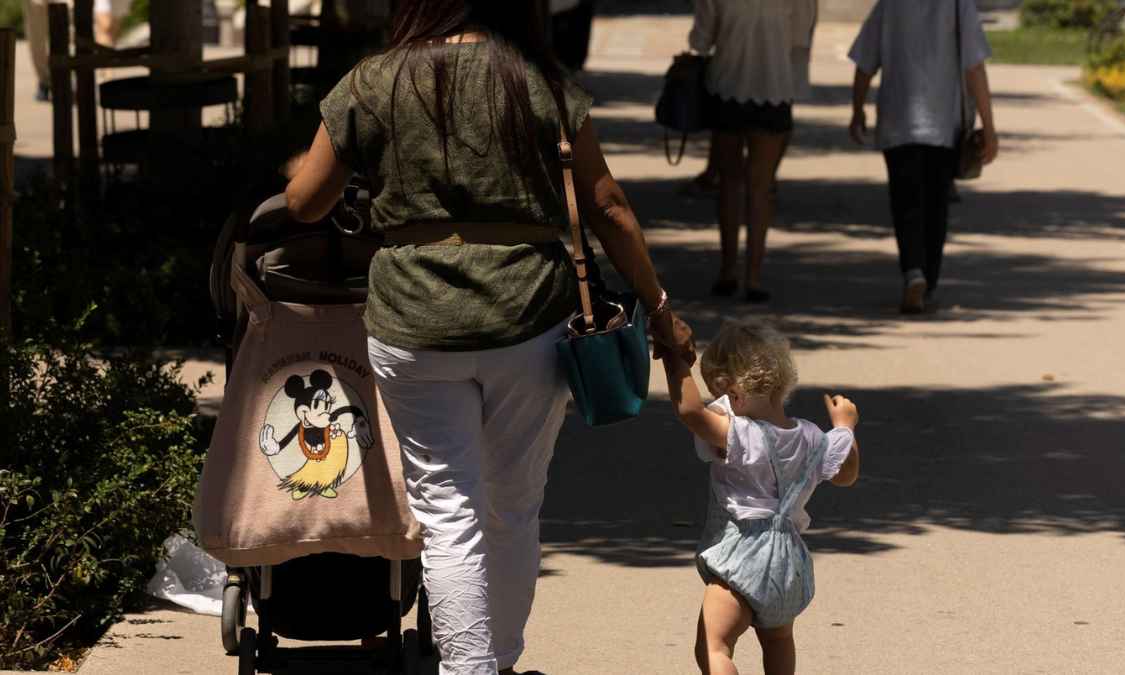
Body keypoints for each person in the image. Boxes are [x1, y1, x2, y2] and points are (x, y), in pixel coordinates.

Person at [284, 2, 695, 673]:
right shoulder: (537, 80)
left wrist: (306, 161)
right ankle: (496, 661)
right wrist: (661, 307)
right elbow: (608, 204)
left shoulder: (374, 81)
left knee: (449, 512)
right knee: (513, 505)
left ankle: (471, 668)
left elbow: (305, 203)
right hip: (528, 317)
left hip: (413, 322)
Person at [659, 320, 859, 675]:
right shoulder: (812, 437)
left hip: (743, 559)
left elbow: (690, 411)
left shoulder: (740, 434)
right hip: (789, 565)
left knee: (714, 647)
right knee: (779, 641)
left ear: (734, 394)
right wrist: (845, 427)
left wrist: (675, 358)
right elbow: (846, 474)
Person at [848, 0, 999, 314]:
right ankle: (927, 282)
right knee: (936, 204)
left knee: (906, 202)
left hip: (897, 122)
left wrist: (857, 108)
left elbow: (865, 60)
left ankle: (912, 273)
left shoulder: (890, 5)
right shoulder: (959, 5)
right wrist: (989, 125)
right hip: (943, 124)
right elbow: (974, 67)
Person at [688, 0, 818, 303]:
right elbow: (800, 37)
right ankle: (754, 277)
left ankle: (727, 271)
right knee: (761, 187)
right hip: (775, 88)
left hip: (726, 87)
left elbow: (701, 39)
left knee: (729, 184)